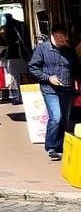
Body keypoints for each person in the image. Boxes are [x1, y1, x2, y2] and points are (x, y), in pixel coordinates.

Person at [28, 23, 81, 160]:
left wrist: (75, 79)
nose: (64, 41)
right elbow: (33, 67)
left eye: (65, 39)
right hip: (50, 89)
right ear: (54, 35)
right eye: (61, 39)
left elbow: (75, 67)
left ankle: (60, 144)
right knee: (56, 117)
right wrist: (48, 78)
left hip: (67, 89)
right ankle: (51, 146)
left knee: (64, 118)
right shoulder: (42, 49)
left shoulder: (68, 50)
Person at [0, 13, 31, 104]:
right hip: (21, 56)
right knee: (21, 77)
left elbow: (9, 41)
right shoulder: (19, 26)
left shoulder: (9, 28)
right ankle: (22, 96)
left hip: (14, 57)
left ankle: (20, 96)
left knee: (17, 78)